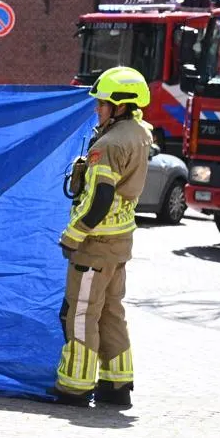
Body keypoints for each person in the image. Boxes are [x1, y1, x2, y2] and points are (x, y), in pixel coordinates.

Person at [52, 65, 152, 409]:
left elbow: (99, 199)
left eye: (103, 103)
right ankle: (117, 384)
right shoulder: (139, 134)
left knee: (80, 314)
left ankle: (75, 387)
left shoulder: (108, 144)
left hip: (94, 247)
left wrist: (72, 236)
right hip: (119, 244)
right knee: (111, 312)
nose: (98, 108)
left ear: (121, 105)